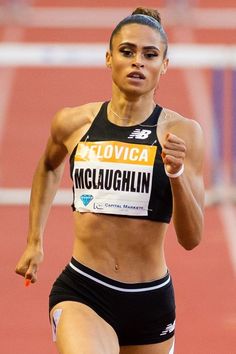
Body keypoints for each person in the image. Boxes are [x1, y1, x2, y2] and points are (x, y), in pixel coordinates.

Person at [15, 7, 205, 354]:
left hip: (149, 300)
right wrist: (34, 241)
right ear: (109, 57)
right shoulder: (74, 123)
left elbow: (192, 239)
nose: (138, 62)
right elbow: (47, 166)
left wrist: (175, 173)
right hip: (84, 289)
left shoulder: (182, 134)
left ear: (164, 65)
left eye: (150, 55)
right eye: (127, 51)